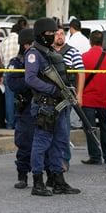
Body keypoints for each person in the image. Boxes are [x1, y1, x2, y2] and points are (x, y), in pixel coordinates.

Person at [24, 17, 80, 196]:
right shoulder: (34, 53)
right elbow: (30, 78)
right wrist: (52, 90)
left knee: (60, 142)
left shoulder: (50, 51)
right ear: (41, 35)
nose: (52, 36)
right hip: (45, 105)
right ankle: (38, 182)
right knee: (41, 144)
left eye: (53, 33)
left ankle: (58, 180)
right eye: (49, 34)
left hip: (59, 105)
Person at [53, 25, 85, 170]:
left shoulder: (72, 52)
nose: (60, 36)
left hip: (66, 95)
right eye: (57, 34)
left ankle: (64, 160)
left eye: (62, 34)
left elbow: (81, 73)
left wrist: (79, 94)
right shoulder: (48, 52)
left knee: (64, 128)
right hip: (50, 94)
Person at [6, 28, 35, 188]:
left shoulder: (41, 59)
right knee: (24, 143)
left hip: (42, 106)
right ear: (25, 45)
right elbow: (13, 83)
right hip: (26, 108)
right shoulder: (16, 63)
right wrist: (33, 81)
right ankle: (22, 175)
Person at [80, 30, 106, 165]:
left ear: (90, 42)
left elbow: (80, 78)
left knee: (90, 127)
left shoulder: (84, 57)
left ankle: (95, 155)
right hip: (105, 97)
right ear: (103, 42)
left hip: (88, 98)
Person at [0, 23, 24, 129]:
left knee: (8, 100)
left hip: (7, 72)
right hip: (20, 72)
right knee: (20, 98)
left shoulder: (4, 41)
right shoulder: (21, 41)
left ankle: (10, 124)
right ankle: (20, 123)